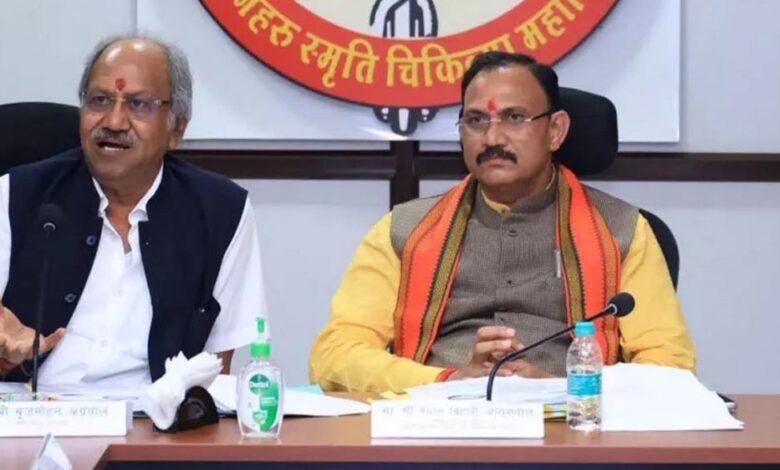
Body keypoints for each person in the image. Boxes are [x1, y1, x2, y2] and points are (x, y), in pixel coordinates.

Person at [310, 52, 695, 392]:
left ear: (555, 130)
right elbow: (334, 356)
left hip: (569, 428)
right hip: (438, 425)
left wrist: (561, 388)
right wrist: (448, 381)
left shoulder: (622, 231)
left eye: (514, 118)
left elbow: (670, 367)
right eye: (476, 120)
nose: (492, 137)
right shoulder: (405, 230)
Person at [0, 36, 266, 392]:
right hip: (29, 413)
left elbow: (217, 372)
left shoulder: (222, 212)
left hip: (155, 421)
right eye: (99, 100)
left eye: (139, 104)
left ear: (177, 129)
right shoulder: (15, 195)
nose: (114, 121)